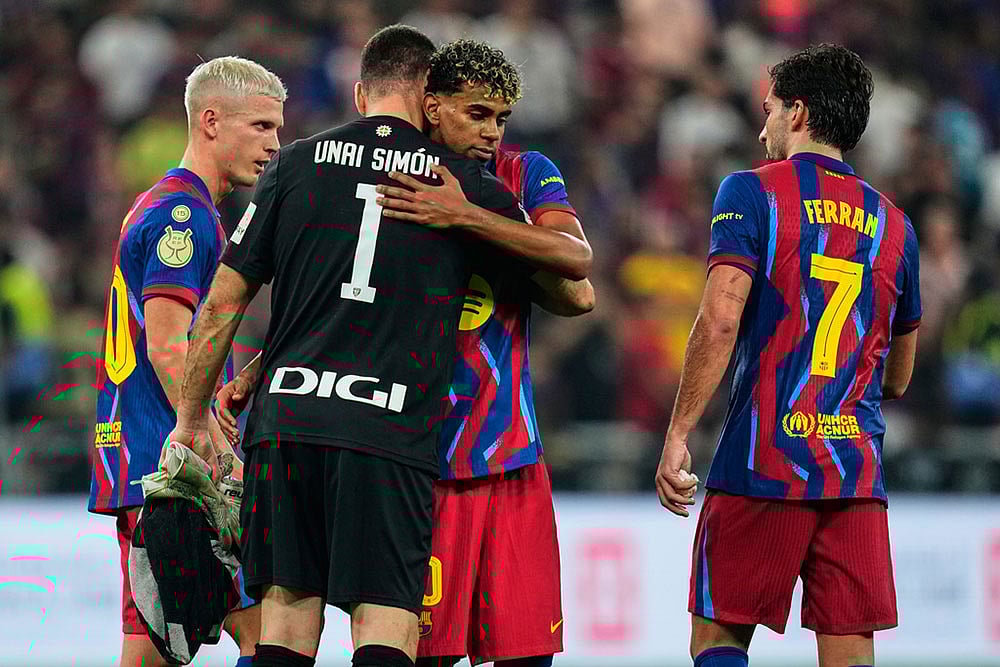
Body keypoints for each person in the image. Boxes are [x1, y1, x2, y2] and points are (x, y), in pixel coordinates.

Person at [166, 25, 530, 667]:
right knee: (386, 623)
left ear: (362, 93)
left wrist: (192, 419)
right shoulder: (458, 183)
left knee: (283, 619)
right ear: (430, 98)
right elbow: (570, 286)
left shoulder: (295, 163)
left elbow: (222, 304)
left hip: (288, 423)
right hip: (388, 429)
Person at [654, 44, 920, 667]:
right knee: (850, 655)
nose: (762, 126)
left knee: (718, 640)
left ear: (798, 113)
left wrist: (678, 433)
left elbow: (720, 320)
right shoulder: (898, 226)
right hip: (854, 473)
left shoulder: (750, 191)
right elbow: (899, 377)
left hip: (762, 461)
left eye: (769, 110)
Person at [87, 56, 285, 667]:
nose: (274, 145)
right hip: (175, 469)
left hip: (144, 455)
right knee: (267, 631)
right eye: (261, 127)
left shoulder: (167, 203)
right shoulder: (185, 217)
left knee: (159, 646)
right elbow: (168, 344)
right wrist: (214, 445)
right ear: (210, 122)